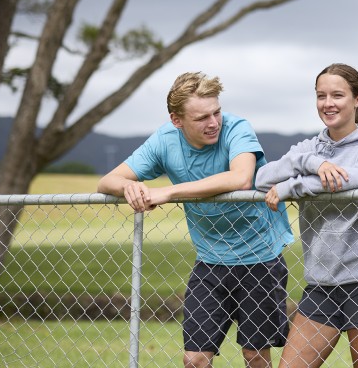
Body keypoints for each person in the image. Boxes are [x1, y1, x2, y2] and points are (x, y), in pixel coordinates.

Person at [97, 72, 294, 368]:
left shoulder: (237, 128)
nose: (213, 122)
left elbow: (240, 178)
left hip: (260, 258)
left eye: (216, 112)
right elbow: (106, 181)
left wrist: (167, 192)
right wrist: (129, 187)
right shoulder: (165, 140)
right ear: (177, 120)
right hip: (210, 262)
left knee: (255, 355)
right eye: (202, 117)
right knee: (195, 359)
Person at [255, 63, 358, 368]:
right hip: (322, 282)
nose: (328, 103)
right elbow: (262, 177)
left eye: (337, 95)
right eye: (321, 95)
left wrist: (294, 185)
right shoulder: (311, 147)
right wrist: (313, 162)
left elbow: (353, 178)